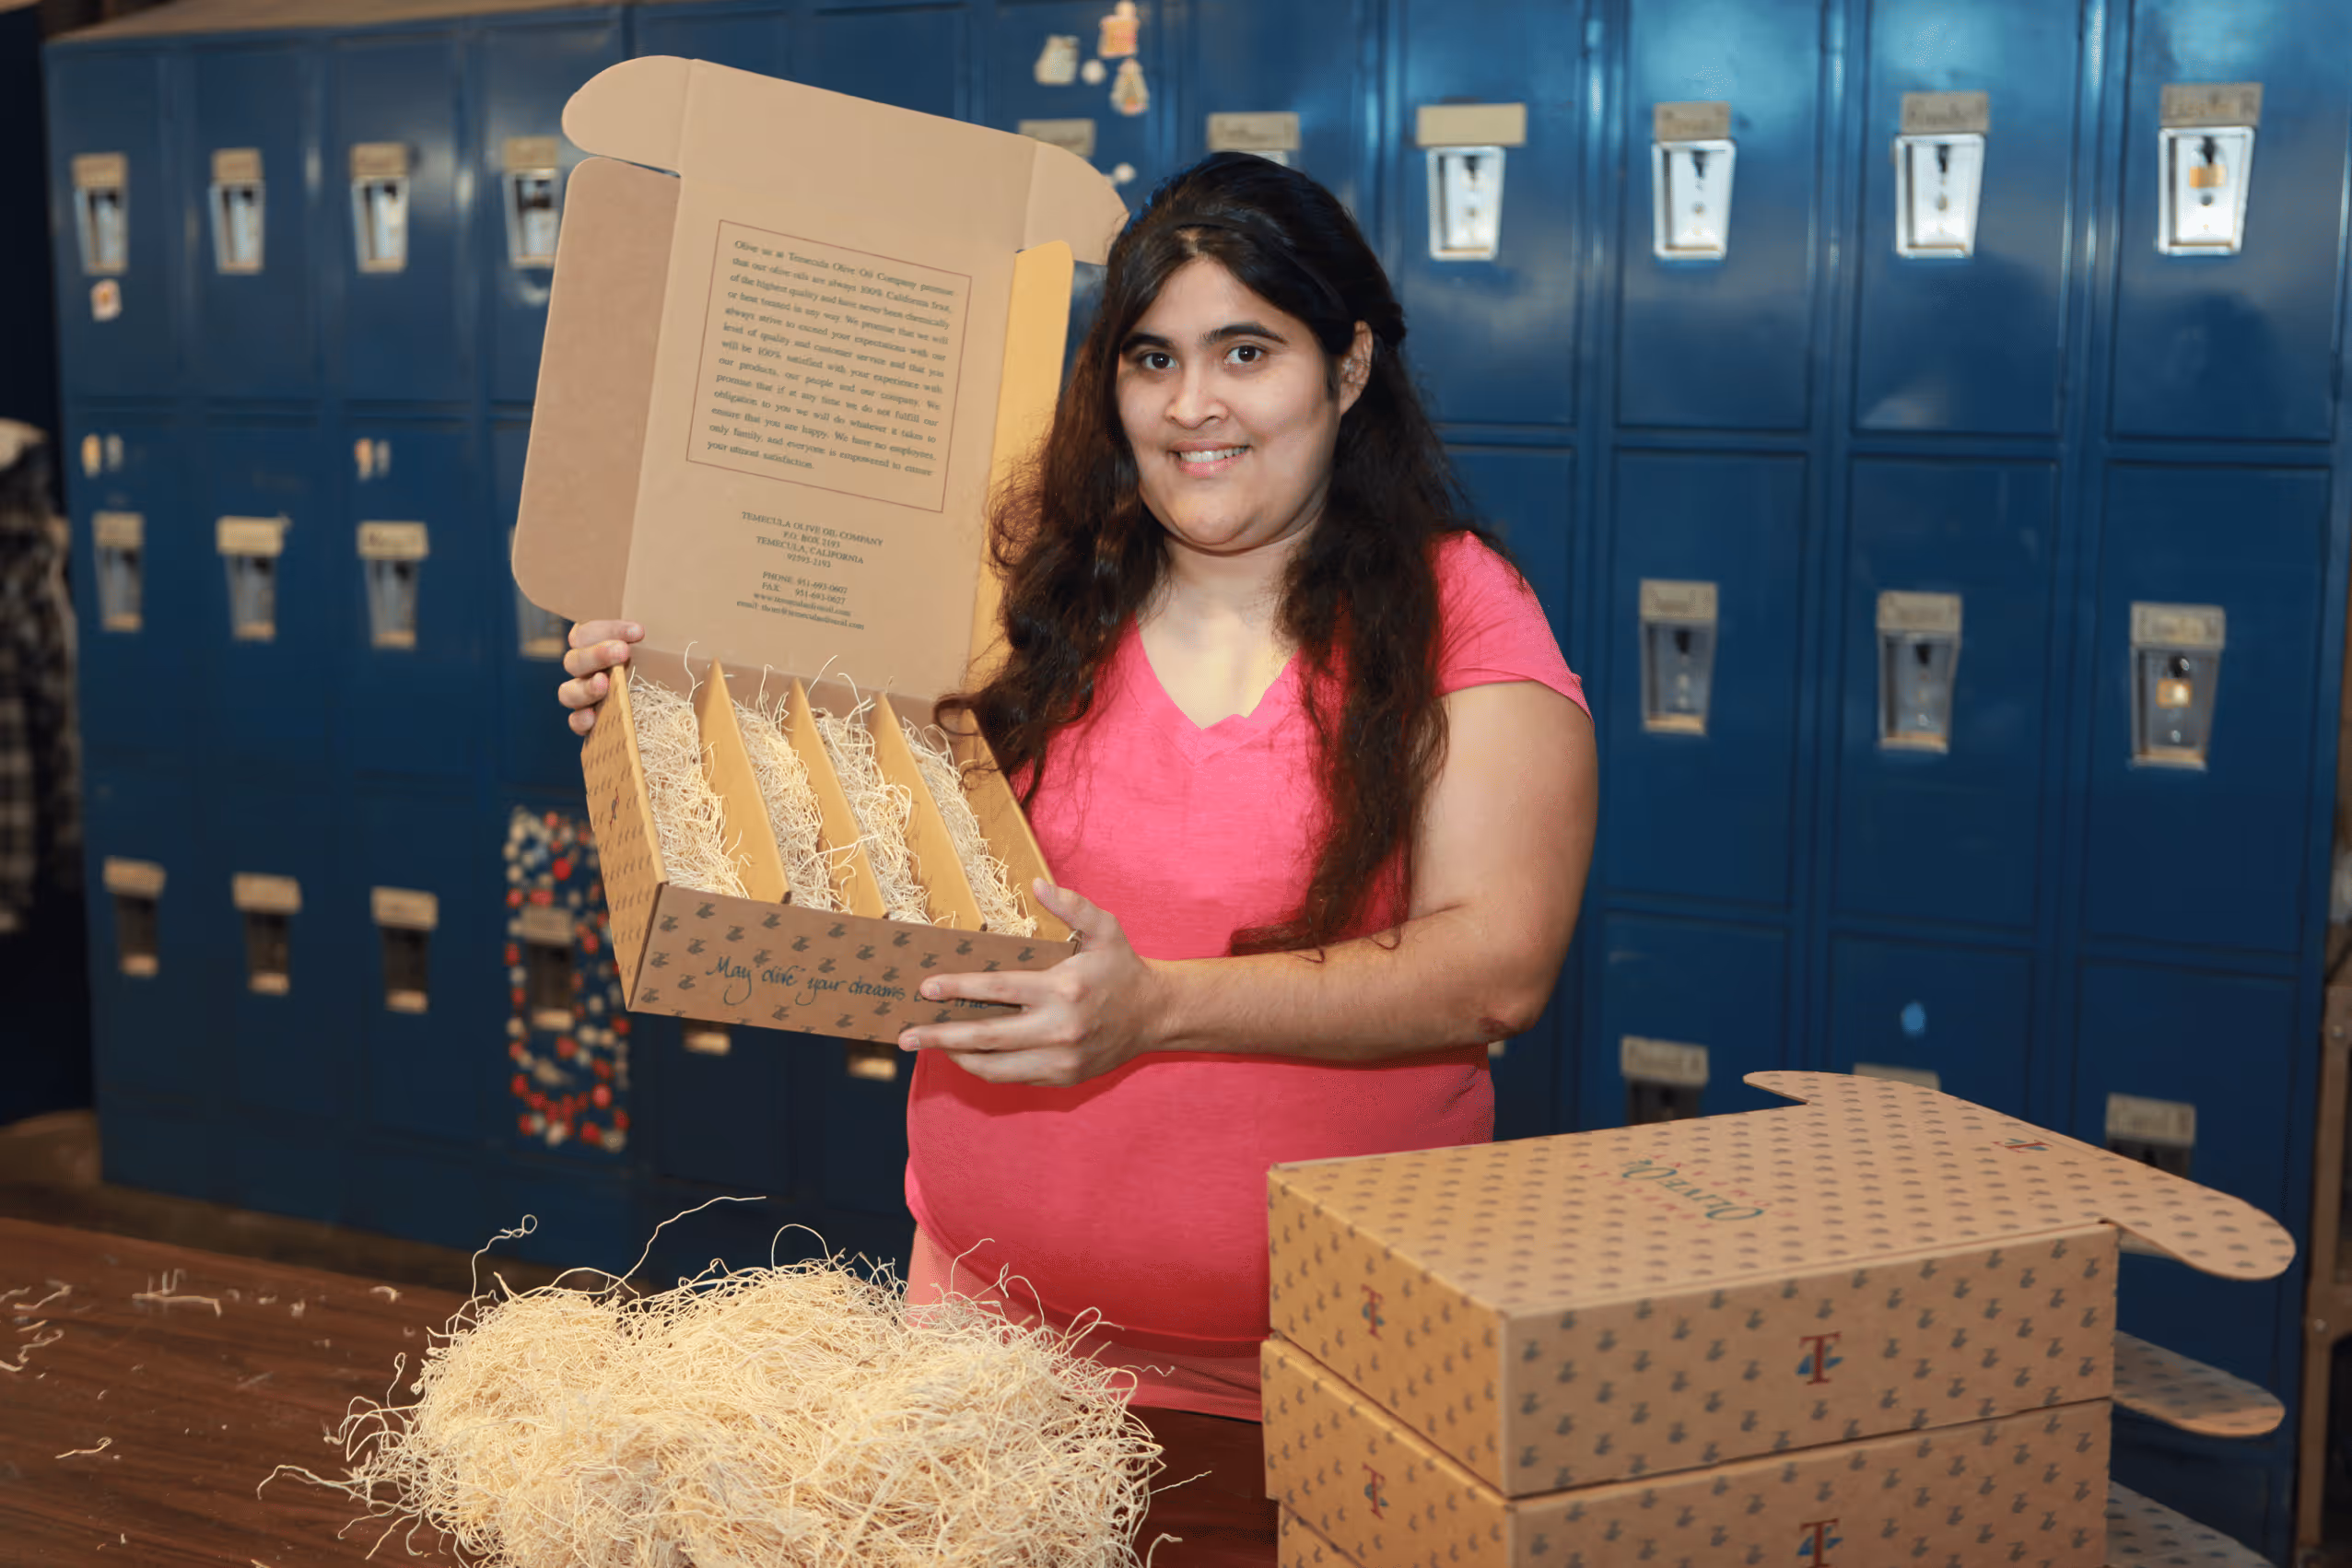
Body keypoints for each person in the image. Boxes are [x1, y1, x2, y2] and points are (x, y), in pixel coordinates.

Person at [558, 153, 1597, 1423]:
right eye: (1151, 358)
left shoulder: (1462, 612)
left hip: (1327, 1378)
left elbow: (1499, 963)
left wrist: (1156, 1006)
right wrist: (653, 702)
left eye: (1246, 351)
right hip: (986, 1345)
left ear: (1351, 365)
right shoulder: (1034, 593)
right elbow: (834, 824)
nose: (1191, 404)